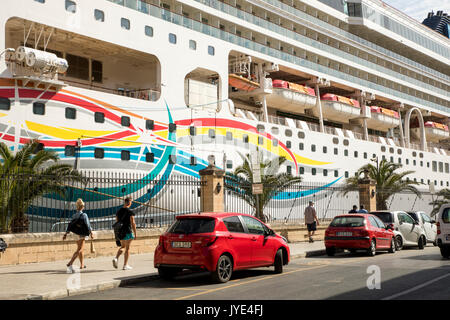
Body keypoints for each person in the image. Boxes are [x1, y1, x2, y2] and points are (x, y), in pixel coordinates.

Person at [63, 199, 94, 274]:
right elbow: (88, 225)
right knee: (80, 249)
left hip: (75, 234)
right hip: (82, 234)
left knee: (80, 249)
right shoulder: (84, 215)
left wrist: (66, 234)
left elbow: (70, 225)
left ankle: (82, 265)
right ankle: (70, 263)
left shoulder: (74, 215)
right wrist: (91, 233)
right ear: (82, 207)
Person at [113, 197, 137, 270]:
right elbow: (133, 223)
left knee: (123, 246)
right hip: (128, 231)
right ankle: (125, 265)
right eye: (131, 202)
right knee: (127, 248)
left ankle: (116, 258)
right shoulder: (130, 211)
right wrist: (135, 233)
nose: (131, 203)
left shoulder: (119, 211)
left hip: (121, 231)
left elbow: (117, 221)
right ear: (129, 203)